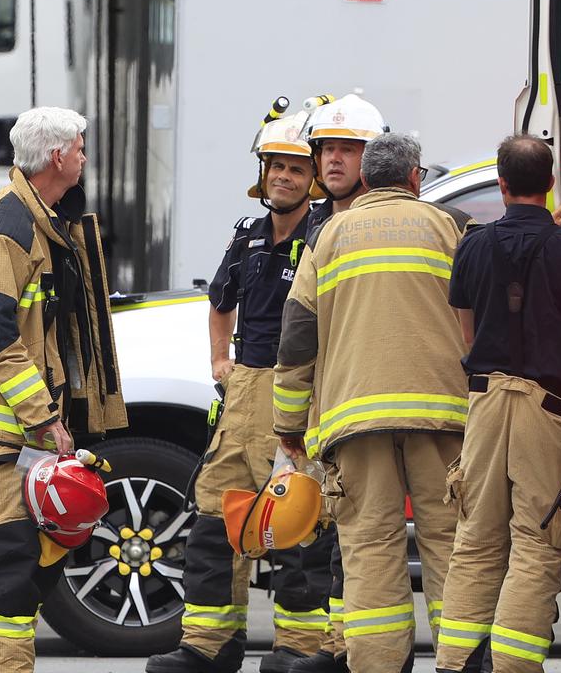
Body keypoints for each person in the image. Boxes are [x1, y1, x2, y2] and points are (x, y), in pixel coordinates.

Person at [274, 133, 471, 673]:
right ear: (415, 178)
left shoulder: (329, 237)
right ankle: (460, 663)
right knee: (450, 545)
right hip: (441, 417)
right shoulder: (448, 228)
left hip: (354, 421)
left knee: (368, 549)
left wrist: (289, 423)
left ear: (365, 180)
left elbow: (297, 337)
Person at [146, 113, 332, 673]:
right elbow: (220, 300)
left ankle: (297, 650)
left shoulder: (325, 234)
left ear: (313, 179)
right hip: (245, 387)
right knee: (212, 515)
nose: (284, 177)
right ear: (263, 173)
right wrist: (218, 360)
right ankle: (208, 646)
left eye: (297, 169)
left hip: (299, 388)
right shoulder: (247, 234)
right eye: (276, 167)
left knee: (297, 519)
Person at [0, 106, 128, 673]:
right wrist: (44, 417)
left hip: (16, 435)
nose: (84, 157)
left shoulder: (40, 218)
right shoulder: (10, 226)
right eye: (79, 148)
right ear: (56, 156)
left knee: (12, 568)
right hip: (5, 436)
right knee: (10, 570)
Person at [434, 135, 561, 673]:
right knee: (537, 543)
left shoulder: (472, 246)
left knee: (475, 539)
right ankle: (511, 667)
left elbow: (465, 336)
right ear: (552, 183)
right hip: (549, 407)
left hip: (486, 404)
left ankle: (454, 663)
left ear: (502, 183)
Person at [285, 92, 388, 673]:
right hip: (335, 407)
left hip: (381, 403)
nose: (333, 161)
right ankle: (341, 643)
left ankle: (362, 649)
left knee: (370, 534)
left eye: (349, 150)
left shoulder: (399, 217)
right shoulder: (319, 224)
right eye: (327, 149)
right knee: (340, 533)